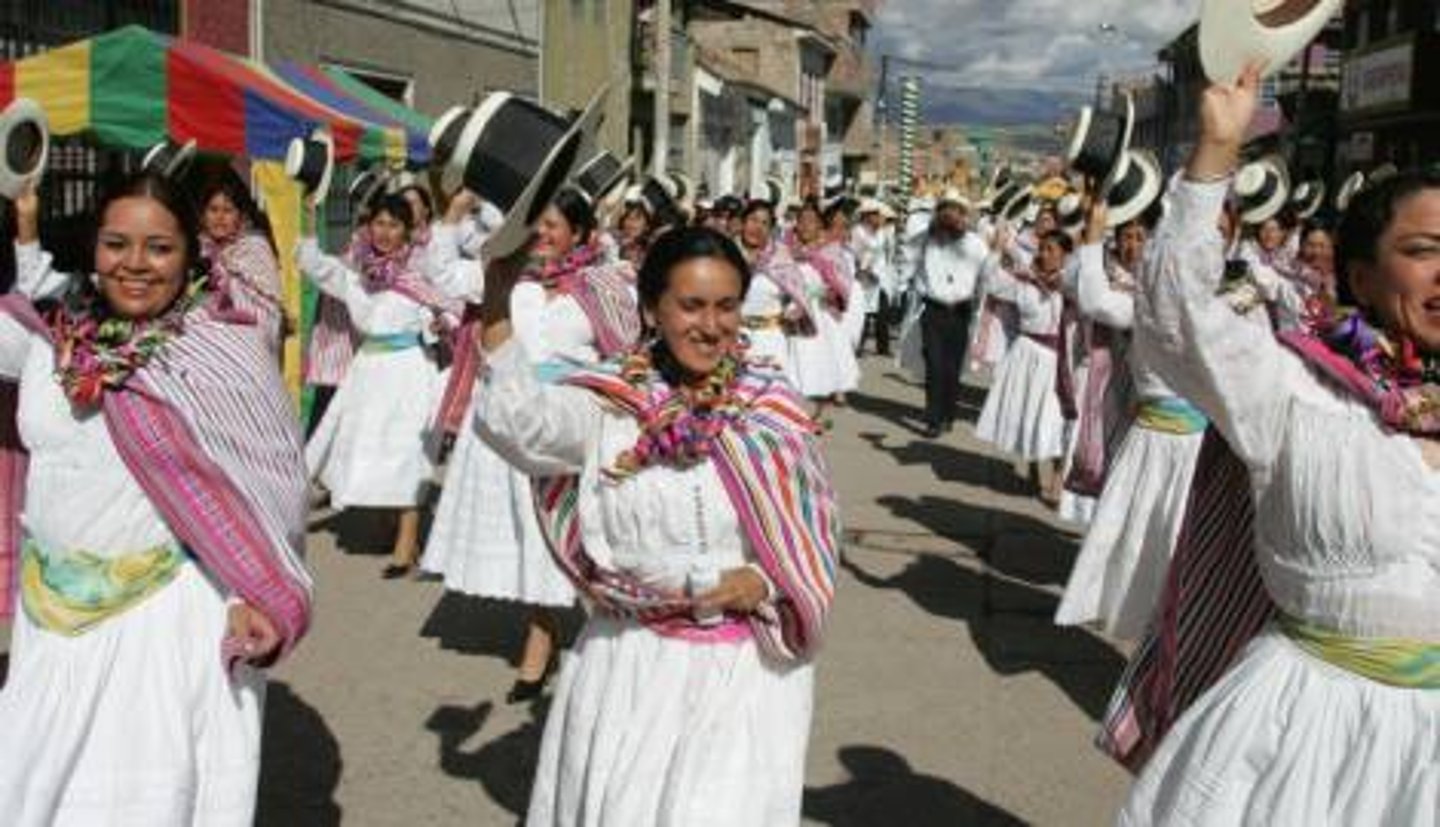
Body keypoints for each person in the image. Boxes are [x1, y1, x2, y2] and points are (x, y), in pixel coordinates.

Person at [1116, 63, 1439, 825]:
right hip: (1299, 732)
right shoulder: (1296, 386)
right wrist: (1216, 151)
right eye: (1424, 248)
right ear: (1360, 275)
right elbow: (1173, 317)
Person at [473, 226, 841, 825]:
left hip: (739, 676)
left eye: (726, 306)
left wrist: (763, 581)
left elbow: (811, 531)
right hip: (627, 663)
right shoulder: (611, 401)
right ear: (651, 308)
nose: (711, 325)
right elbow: (521, 424)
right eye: (691, 305)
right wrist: (496, 298)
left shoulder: (770, 407)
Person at [0, 172, 312, 825]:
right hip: (49, 619)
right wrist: (22, 214)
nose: (135, 264)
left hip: (160, 625)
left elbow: (264, 489)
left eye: (159, 248)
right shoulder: (53, 337)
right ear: (92, 248)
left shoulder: (219, 352)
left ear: (189, 254)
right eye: (117, 243)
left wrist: (245, 592)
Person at [421, 186, 640, 702]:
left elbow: (629, 354)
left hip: (571, 427)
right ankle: (540, 642)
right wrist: (452, 214)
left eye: (554, 225)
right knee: (532, 543)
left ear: (581, 234)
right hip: (511, 424)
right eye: (534, 224)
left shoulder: (602, 285)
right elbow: (441, 274)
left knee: (584, 537)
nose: (542, 234)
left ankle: (598, 638)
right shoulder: (503, 274)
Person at [299, 193, 457, 579]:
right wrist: (306, 219)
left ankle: (406, 541)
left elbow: (451, 310)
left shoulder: (417, 277)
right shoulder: (358, 275)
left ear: (408, 232)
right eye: (379, 224)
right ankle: (391, 524)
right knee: (374, 450)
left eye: (394, 225)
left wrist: (440, 325)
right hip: (369, 371)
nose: (385, 232)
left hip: (409, 372)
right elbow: (317, 267)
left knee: (407, 454)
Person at [974, 230, 1073, 504]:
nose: (1044, 254)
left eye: (1051, 249)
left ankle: (1057, 479)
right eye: (1042, 248)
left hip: (1057, 359)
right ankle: (1032, 470)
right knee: (1029, 413)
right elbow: (990, 283)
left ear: (1065, 255)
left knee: (1055, 420)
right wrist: (996, 252)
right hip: (1026, 353)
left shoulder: (1072, 285)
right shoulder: (1023, 281)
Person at [910, 191, 995, 438]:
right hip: (933, 311)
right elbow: (910, 263)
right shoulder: (927, 240)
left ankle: (948, 413)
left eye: (955, 210)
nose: (950, 215)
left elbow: (987, 275)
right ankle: (933, 419)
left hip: (960, 312)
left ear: (963, 215)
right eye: (945, 209)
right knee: (934, 366)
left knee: (951, 368)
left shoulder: (975, 244)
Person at [197, 173, 287, 356]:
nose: (219, 217)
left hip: (251, 344)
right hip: (208, 346)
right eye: (213, 210)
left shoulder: (254, 247)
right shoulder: (196, 250)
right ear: (203, 214)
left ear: (240, 215)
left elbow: (267, 307)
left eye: (228, 210)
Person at [785, 199, 860, 416]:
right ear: (796, 223)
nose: (806, 225)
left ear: (820, 225)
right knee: (793, 367)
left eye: (812, 221)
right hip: (789, 313)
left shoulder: (829, 250)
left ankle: (815, 410)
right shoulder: (785, 248)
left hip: (820, 315)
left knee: (819, 365)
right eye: (802, 220)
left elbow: (840, 283)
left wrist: (816, 294)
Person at [736, 199, 813, 380]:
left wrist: (794, 310)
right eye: (753, 220)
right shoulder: (724, 253)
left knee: (768, 399)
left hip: (770, 339)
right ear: (742, 222)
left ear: (771, 229)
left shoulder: (781, 257)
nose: (757, 227)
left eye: (765, 223)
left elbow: (799, 295)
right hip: (732, 338)